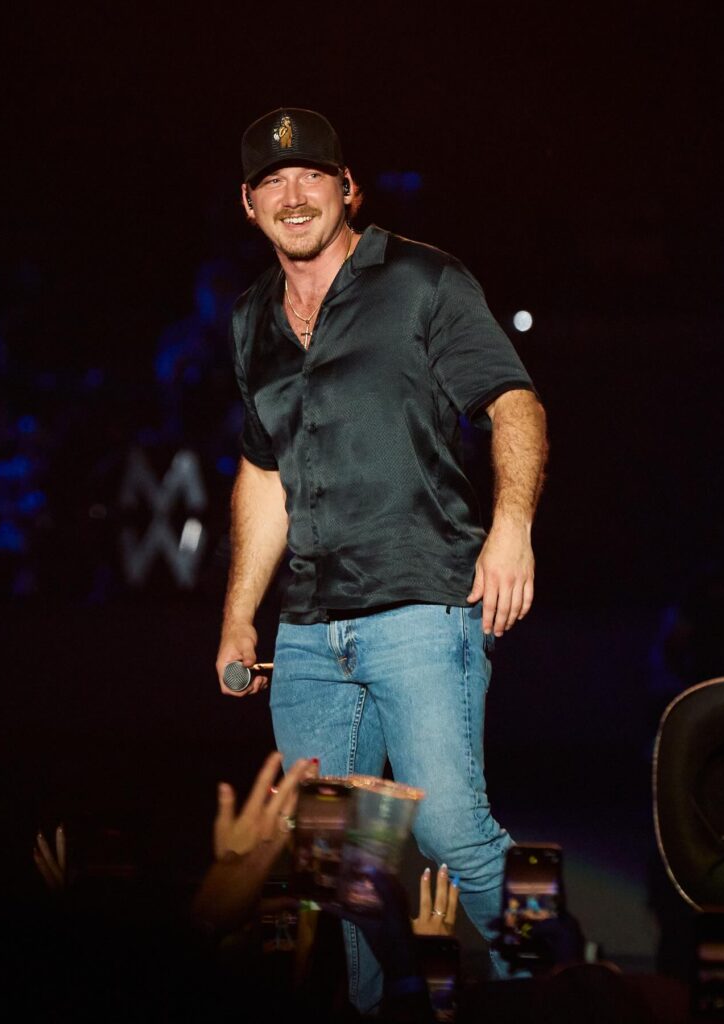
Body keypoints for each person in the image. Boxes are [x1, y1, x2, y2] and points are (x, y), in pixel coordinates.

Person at [215, 107, 548, 1014]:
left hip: (422, 605)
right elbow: (263, 471)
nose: (294, 195)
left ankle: (562, 981)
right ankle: (391, 1008)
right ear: (248, 205)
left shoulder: (422, 279)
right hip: (310, 631)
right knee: (338, 863)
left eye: (312, 177)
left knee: (451, 829)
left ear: (346, 188)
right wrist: (240, 610)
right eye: (273, 183)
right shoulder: (251, 319)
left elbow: (512, 401)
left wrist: (509, 527)